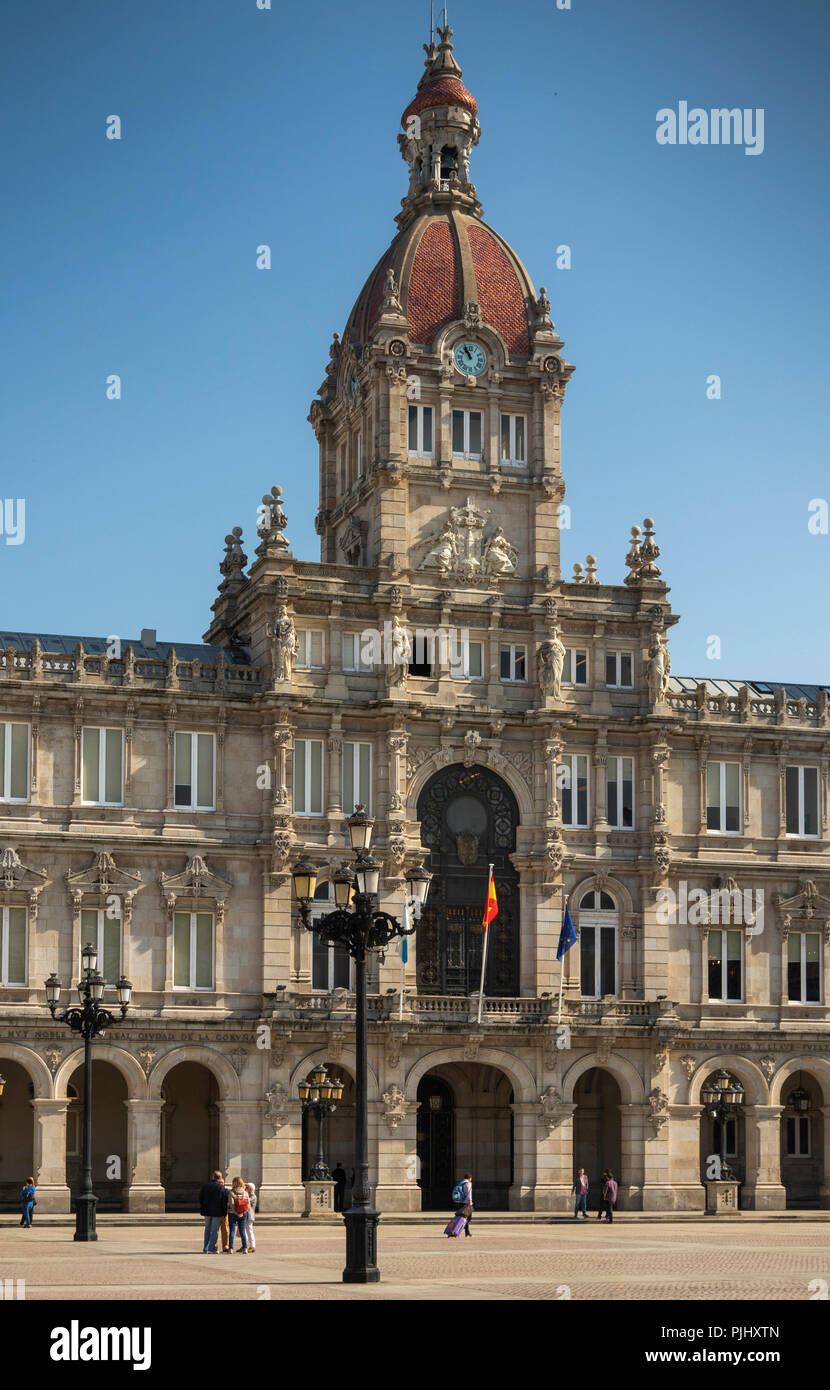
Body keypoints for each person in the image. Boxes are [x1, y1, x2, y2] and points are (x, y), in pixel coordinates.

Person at [198, 1170, 228, 1254]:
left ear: (212, 1177)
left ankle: (205, 1248)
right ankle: (212, 1248)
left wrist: (203, 1207)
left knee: (207, 1229)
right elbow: (225, 1200)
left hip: (206, 1211)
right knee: (214, 1230)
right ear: (220, 1178)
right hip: (217, 1212)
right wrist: (224, 1212)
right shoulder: (221, 1187)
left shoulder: (205, 1186)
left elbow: (200, 1198)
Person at [227, 1176, 249, 1253]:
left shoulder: (231, 1192)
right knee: (242, 1231)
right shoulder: (245, 1192)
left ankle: (231, 1248)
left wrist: (236, 1212)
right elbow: (248, 1204)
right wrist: (242, 1212)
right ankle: (245, 1248)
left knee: (232, 1231)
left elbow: (231, 1204)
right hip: (243, 1214)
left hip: (232, 1213)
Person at [459, 1172, 473, 1237]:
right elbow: (469, 1193)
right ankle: (463, 1227)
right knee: (469, 1218)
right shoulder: (468, 1184)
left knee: (464, 1218)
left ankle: (467, 1232)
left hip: (461, 1202)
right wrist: (470, 1202)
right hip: (467, 1203)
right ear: (469, 1178)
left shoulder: (461, 1183)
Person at [244, 1182, 257, 1253]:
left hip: (249, 1216)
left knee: (249, 1230)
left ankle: (253, 1246)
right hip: (246, 1215)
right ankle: (244, 1245)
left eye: (247, 1187)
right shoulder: (248, 1195)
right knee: (244, 1231)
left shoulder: (253, 1196)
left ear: (250, 1189)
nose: (245, 1188)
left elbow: (246, 1201)